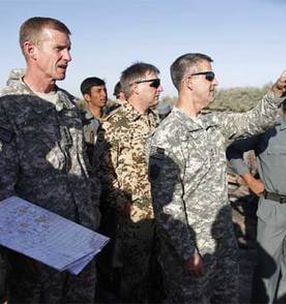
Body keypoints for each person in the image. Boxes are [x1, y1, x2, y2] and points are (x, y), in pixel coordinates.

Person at [146, 52, 286, 303]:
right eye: (209, 76)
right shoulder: (167, 136)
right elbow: (168, 206)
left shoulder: (212, 123)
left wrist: (277, 90)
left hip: (222, 244)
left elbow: (254, 121)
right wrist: (188, 253)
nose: (216, 82)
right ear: (189, 81)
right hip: (193, 251)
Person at [0, 16, 100, 303]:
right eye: (59, 49)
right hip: (38, 246)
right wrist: (24, 245)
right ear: (31, 50)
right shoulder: (7, 106)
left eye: (68, 49)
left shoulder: (68, 103)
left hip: (82, 239)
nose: (68, 57)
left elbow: (83, 165)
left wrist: (92, 210)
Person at [227, 81, 286, 303]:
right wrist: (250, 181)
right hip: (273, 208)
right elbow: (233, 151)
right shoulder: (267, 131)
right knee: (267, 269)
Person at [96, 62, 163, 303]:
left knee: (158, 274)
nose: (160, 88)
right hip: (134, 215)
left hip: (162, 212)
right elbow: (103, 171)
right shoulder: (114, 124)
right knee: (134, 277)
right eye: (154, 83)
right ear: (135, 88)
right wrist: (122, 204)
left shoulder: (156, 120)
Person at [79, 76, 108, 163]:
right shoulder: (80, 121)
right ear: (87, 97)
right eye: (98, 91)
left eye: (105, 90)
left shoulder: (112, 119)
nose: (104, 95)